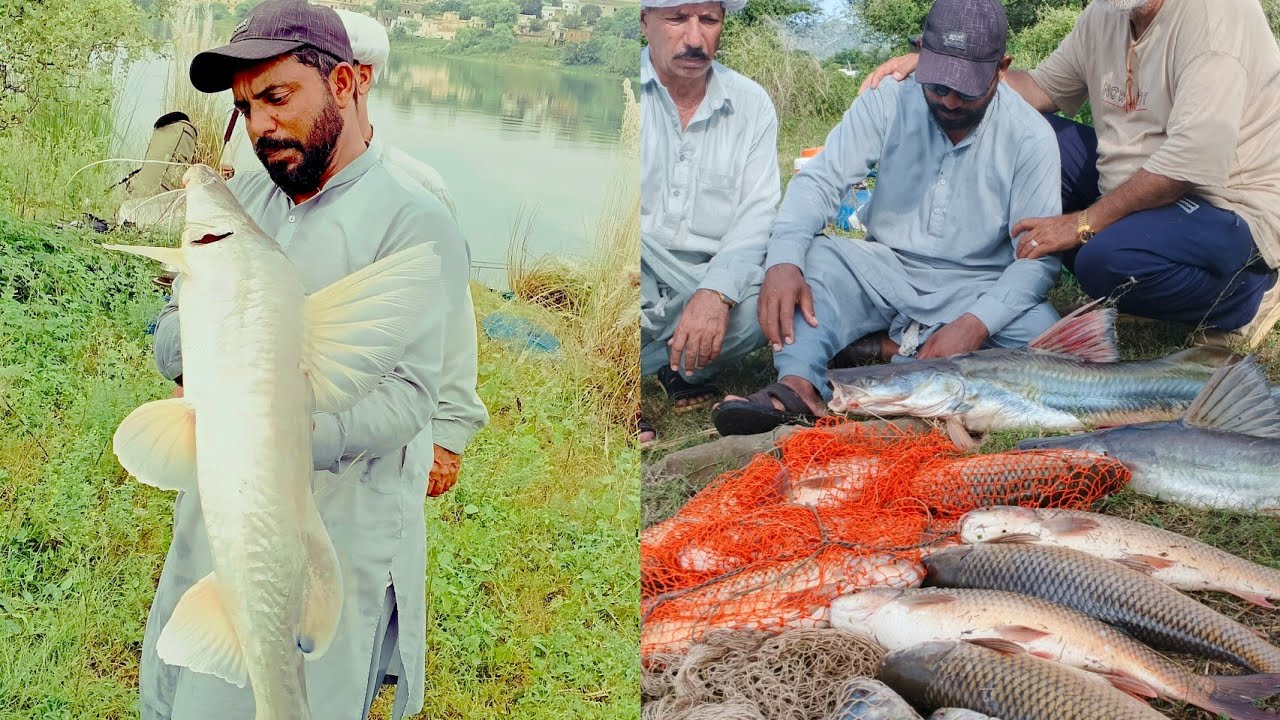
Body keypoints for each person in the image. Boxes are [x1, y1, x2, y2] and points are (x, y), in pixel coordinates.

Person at [142, 1, 471, 718]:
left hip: (335, 523)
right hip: (219, 506)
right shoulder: (247, 193)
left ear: (348, 84)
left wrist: (275, 435)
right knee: (187, 684)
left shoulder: (414, 218)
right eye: (247, 106)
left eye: (278, 97)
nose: (261, 124)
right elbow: (174, 330)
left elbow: (414, 394)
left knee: (292, 691)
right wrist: (193, 359)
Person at [713, 0, 1063, 436]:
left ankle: (885, 348)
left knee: (1045, 338)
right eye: (937, 86)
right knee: (815, 260)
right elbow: (818, 182)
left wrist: (974, 325)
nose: (950, 101)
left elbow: (1036, 259)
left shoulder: (1031, 136)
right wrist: (784, 260)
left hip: (976, 287)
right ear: (921, 53)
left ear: (1001, 68)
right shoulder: (888, 99)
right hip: (884, 272)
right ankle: (799, 385)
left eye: (967, 90)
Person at [862, 0, 1280, 349]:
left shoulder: (1216, 19)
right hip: (1139, 185)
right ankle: (985, 278)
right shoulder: (1106, 13)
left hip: (1227, 204)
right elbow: (1040, 91)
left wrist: (1081, 224)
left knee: (1103, 261)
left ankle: (1250, 295)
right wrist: (947, 65)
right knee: (1029, 136)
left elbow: (1189, 161)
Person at [638, 0, 780, 444]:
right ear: (645, 22)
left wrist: (717, 292)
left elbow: (758, 215)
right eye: (677, 19)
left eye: (709, 21)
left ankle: (652, 362)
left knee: (784, 293)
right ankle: (659, 365)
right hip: (633, 270)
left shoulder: (751, 104)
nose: (695, 38)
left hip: (707, 276)